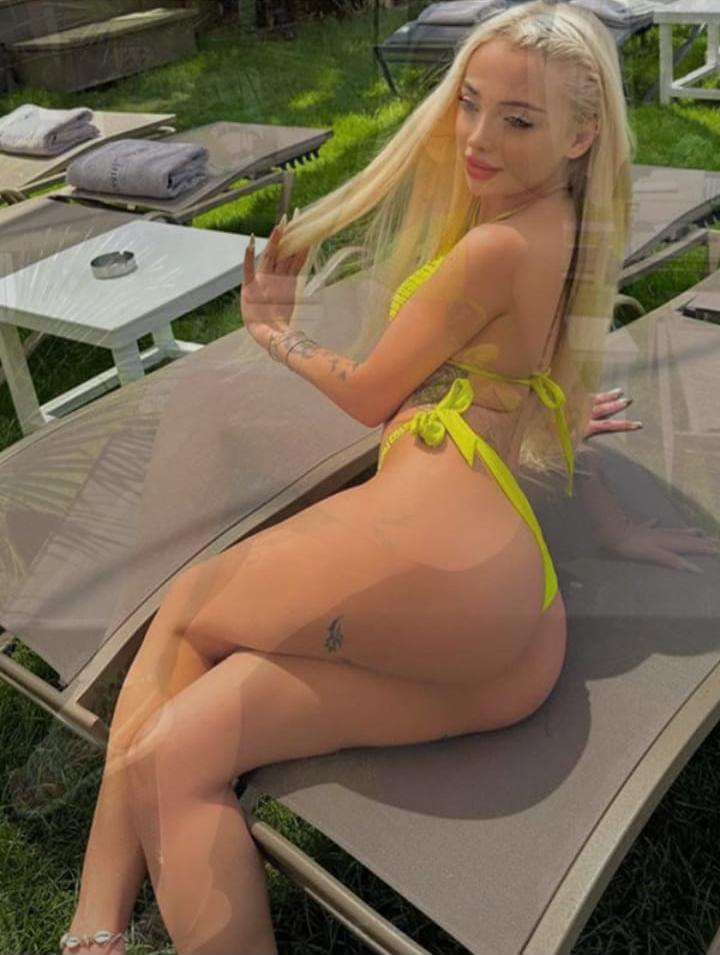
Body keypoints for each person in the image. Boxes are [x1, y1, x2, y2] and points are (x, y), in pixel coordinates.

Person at [55, 2, 716, 953]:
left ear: (581, 133)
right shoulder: (569, 228)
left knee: (187, 610)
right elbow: (561, 394)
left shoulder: (493, 246)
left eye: (517, 119)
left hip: (439, 566)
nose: (478, 138)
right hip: (517, 640)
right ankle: (98, 933)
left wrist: (274, 331)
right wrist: (614, 526)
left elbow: (370, 394)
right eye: (470, 103)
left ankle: (94, 923)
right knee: (183, 747)